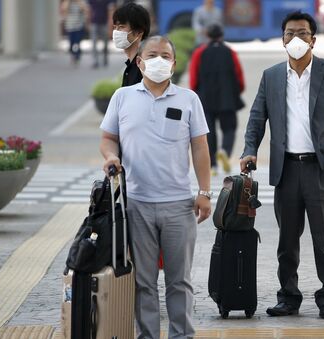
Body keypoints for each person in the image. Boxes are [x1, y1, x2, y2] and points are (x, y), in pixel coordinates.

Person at [239, 11, 324, 320]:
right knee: (287, 240)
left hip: (321, 168)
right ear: (282, 39)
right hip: (287, 170)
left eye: (303, 34)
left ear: (313, 39)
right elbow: (257, 117)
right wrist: (249, 149)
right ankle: (289, 297)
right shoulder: (271, 76)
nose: (296, 39)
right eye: (290, 34)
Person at [99, 36, 212, 339]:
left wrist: (204, 192)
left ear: (174, 64)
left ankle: (181, 335)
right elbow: (109, 137)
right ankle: (147, 335)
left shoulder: (189, 99)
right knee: (144, 282)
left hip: (179, 205)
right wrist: (111, 156)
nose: (159, 60)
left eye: (165, 55)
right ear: (140, 61)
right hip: (136, 203)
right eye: (152, 55)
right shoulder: (122, 97)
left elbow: (200, 148)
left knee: (179, 281)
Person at [189, 24, 245, 175]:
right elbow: (239, 75)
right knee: (229, 128)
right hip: (227, 97)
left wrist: (195, 93)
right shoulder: (230, 52)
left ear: (207, 35)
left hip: (206, 98)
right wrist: (237, 91)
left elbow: (193, 78)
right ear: (221, 35)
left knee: (209, 131)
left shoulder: (199, 53)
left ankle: (213, 165)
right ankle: (225, 152)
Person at [112, 2, 150, 86]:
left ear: (138, 32)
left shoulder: (143, 67)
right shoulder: (131, 64)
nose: (116, 32)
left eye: (121, 27)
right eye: (115, 27)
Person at [61, 0, 89, 66]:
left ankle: (77, 57)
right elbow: (64, 9)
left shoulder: (80, 2)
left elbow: (85, 9)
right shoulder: (67, 2)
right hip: (70, 26)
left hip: (79, 26)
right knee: (71, 44)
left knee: (78, 42)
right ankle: (73, 55)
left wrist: (78, 2)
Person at [88, 0, 116, 68]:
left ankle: (105, 58)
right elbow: (89, 10)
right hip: (94, 23)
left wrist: (110, 24)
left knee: (105, 42)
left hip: (104, 23)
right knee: (94, 42)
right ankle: (95, 61)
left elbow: (110, 10)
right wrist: (88, 22)